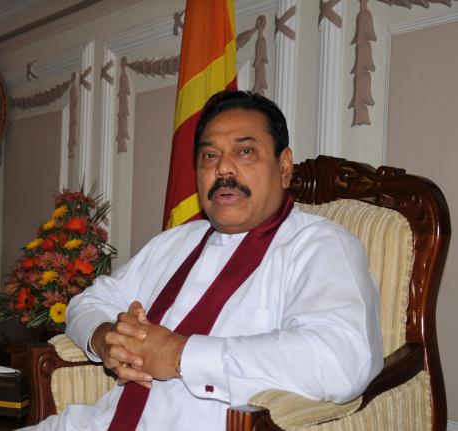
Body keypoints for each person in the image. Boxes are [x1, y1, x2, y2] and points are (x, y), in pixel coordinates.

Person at [20, 90, 383, 431]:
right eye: (210, 156)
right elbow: (87, 302)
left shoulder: (320, 246)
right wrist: (105, 338)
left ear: (284, 166)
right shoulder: (176, 242)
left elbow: (340, 360)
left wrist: (181, 355)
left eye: (245, 152)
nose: (223, 170)